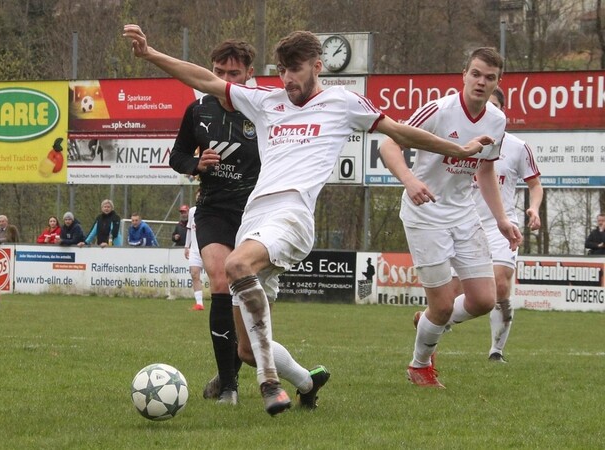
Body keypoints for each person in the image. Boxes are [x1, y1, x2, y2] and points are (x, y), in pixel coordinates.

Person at [124, 25, 491, 415]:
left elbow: (401, 132)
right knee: (245, 348)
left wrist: (460, 148)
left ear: (317, 66)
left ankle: (268, 383)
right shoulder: (265, 101)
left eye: (295, 69)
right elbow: (203, 78)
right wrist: (150, 55)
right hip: (255, 220)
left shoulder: (342, 103)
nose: (287, 78)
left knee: (235, 264)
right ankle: (305, 382)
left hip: (293, 216)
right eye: (281, 69)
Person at [379, 47, 522, 389]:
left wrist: (501, 219)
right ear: (464, 75)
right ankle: (420, 366)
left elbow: (486, 169)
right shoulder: (440, 110)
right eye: (476, 74)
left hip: (464, 213)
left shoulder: (497, 121)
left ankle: (428, 321)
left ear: (497, 83)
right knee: (442, 306)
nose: (481, 82)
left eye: (489, 78)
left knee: (486, 299)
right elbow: (388, 143)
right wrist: (410, 181)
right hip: (425, 215)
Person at [417, 87, 544, 363]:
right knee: (452, 296)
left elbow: (535, 184)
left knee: (499, 286)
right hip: (464, 222)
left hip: (501, 225)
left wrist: (533, 209)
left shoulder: (517, 147)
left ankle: (496, 351)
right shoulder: (458, 136)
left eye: (491, 104)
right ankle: (437, 320)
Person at [168, 40, 262, 405]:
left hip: (255, 213)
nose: (224, 79)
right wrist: (195, 165)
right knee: (221, 281)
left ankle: (230, 367)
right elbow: (177, 155)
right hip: (213, 210)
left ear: (249, 74)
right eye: (218, 72)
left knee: (251, 298)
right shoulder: (198, 110)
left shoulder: (262, 110)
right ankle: (229, 388)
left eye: (233, 73)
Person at [184, 199, 204, 311]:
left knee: (215, 276)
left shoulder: (212, 210)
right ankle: (199, 303)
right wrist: (187, 246)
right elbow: (189, 229)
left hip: (207, 248)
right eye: (197, 196)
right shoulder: (192, 211)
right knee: (194, 274)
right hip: (195, 249)